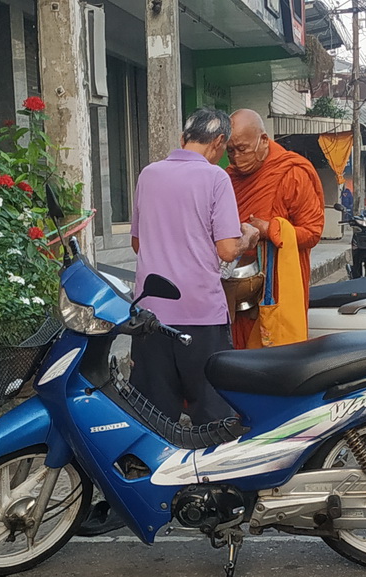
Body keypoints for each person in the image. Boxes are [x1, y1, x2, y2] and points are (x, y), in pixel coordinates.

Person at [78, 108, 259, 536]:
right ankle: (218, 494)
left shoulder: (148, 174)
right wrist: (249, 236)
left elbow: (137, 242)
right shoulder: (215, 179)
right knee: (212, 410)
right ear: (218, 143)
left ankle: (146, 494)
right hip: (201, 313)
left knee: (151, 410)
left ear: (183, 137)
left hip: (150, 315)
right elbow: (228, 250)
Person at [226, 109, 325, 349]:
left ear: (263, 140)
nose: (236, 158)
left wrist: (270, 230)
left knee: (278, 356)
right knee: (235, 353)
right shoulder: (228, 178)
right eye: (230, 151)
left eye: (242, 149)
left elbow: (312, 232)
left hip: (278, 285)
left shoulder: (291, 172)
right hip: (237, 284)